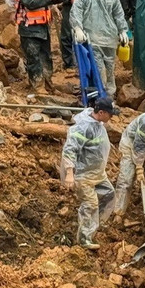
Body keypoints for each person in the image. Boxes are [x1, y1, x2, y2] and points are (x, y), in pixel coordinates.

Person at [61, 97, 119, 249]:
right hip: (84, 175)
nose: (111, 117)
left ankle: (95, 224)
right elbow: (70, 149)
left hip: (98, 174)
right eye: (109, 114)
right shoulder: (83, 127)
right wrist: (69, 173)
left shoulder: (98, 123)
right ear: (101, 112)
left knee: (109, 194)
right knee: (90, 204)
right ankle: (84, 239)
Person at [70, 0, 128, 96]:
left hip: (109, 38)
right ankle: (101, 94)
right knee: (98, 68)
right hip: (92, 38)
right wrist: (78, 28)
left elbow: (118, 14)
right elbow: (76, 11)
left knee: (110, 67)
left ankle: (110, 93)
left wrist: (123, 31)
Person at [12, 0, 67, 92]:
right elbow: (30, 2)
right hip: (29, 26)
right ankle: (37, 86)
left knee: (46, 56)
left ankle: (48, 84)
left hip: (43, 25)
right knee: (33, 57)